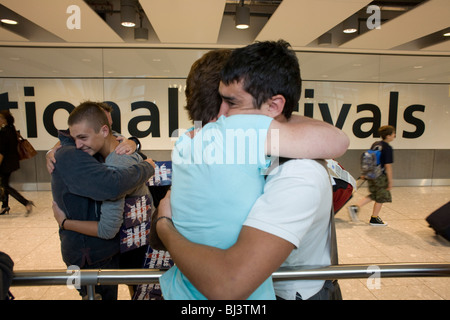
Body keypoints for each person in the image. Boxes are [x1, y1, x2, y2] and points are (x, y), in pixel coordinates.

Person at [154, 40, 349, 300]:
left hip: (291, 292)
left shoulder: (298, 172)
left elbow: (228, 283)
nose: (221, 120)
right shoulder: (227, 145)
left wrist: (164, 226)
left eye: (232, 104)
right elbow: (337, 139)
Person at [51, 105, 155, 300]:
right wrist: (53, 149)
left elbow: (108, 228)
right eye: (74, 139)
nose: (78, 145)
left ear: (105, 130)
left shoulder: (116, 164)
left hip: (126, 246)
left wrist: (65, 223)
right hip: (132, 242)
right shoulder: (105, 151)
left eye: (83, 138)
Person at [348, 125, 396, 226]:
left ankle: (355, 207)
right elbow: (388, 166)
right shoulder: (387, 148)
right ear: (388, 136)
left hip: (370, 174)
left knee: (374, 194)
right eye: (393, 134)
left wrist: (365, 174)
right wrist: (390, 181)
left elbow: (369, 160)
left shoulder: (376, 144)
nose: (394, 136)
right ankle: (374, 218)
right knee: (381, 197)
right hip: (380, 176)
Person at [0, 110, 34, 216]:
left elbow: (1, 152)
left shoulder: (3, 133)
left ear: (5, 120)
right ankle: (4, 206)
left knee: (5, 186)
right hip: (12, 162)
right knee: (4, 185)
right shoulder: (11, 129)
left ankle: (26, 202)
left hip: (5, 163)